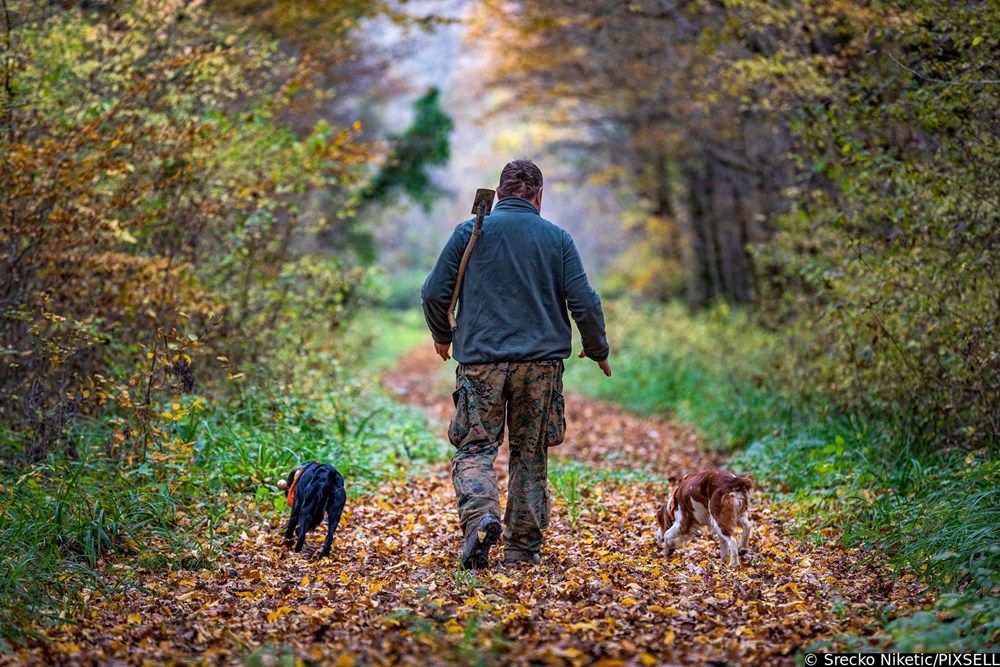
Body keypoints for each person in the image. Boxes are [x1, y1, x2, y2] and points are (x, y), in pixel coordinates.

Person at [421, 158, 611, 570]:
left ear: (500, 192)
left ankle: (480, 518)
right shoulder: (557, 238)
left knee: (475, 448)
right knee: (530, 453)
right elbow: (584, 302)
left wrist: (442, 334)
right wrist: (597, 349)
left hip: (482, 364)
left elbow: (434, 292)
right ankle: (522, 549)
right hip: (541, 367)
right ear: (539, 196)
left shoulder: (469, 232)